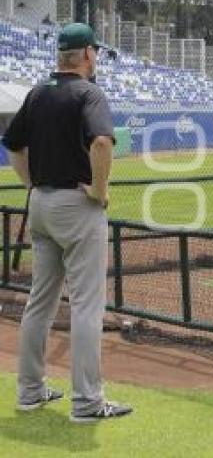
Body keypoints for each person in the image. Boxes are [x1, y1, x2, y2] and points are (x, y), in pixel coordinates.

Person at [3, 22, 132, 422]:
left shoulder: (39, 92)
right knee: (86, 306)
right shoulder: (88, 92)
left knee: (39, 303)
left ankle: (29, 392)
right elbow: (101, 142)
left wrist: (33, 184)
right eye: (95, 53)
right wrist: (99, 188)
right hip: (76, 206)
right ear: (88, 54)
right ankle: (87, 403)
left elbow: (13, 145)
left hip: (40, 203)